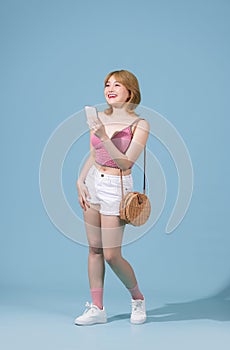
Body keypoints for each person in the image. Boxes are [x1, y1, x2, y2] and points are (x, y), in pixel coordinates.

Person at [75, 69, 150, 325]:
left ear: (131, 90)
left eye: (118, 84)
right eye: (107, 84)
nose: (111, 88)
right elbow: (94, 155)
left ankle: (137, 298)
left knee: (111, 254)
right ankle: (97, 308)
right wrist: (79, 180)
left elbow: (126, 161)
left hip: (117, 187)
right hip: (94, 182)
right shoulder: (99, 119)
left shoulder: (140, 124)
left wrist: (105, 136)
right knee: (94, 249)